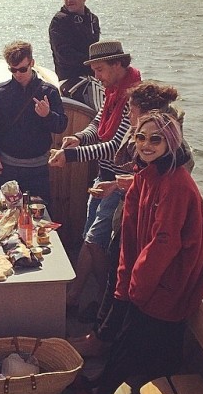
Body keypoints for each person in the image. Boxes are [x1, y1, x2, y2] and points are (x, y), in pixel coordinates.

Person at [72, 111, 203, 394]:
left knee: (138, 334)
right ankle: (113, 388)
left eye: (155, 139)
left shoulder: (176, 184)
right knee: (132, 330)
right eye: (140, 137)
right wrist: (126, 280)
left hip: (173, 275)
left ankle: (109, 392)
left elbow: (165, 243)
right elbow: (131, 234)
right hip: (150, 271)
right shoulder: (145, 175)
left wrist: (137, 288)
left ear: (171, 143)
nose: (146, 145)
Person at [69, 81, 194, 355]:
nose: (128, 115)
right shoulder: (154, 136)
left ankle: (103, 339)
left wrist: (115, 184)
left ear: (147, 113)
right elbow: (142, 176)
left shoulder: (169, 153)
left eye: (132, 109)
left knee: (119, 272)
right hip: (132, 211)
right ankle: (102, 332)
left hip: (144, 222)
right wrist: (115, 185)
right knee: (116, 270)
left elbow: (156, 185)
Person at [49, 40, 141, 318]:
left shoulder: (134, 98)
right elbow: (98, 123)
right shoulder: (112, 91)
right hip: (104, 174)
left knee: (94, 240)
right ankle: (75, 295)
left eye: (100, 70)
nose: (96, 76)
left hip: (119, 180)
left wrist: (72, 155)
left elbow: (116, 145)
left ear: (117, 65)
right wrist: (78, 137)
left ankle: (106, 302)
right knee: (88, 237)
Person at [0, 41, 68, 206]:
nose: (18, 74)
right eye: (13, 69)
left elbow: (60, 126)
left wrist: (47, 115)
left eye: (22, 69)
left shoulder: (49, 92)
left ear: (32, 63)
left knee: (41, 217)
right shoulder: (0, 93)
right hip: (7, 167)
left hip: (38, 169)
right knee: (5, 213)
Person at [49, 0, 102, 110]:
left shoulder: (92, 20)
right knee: (100, 98)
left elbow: (95, 49)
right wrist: (92, 63)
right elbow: (64, 55)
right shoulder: (59, 21)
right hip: (70, 78)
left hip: (94, 75)